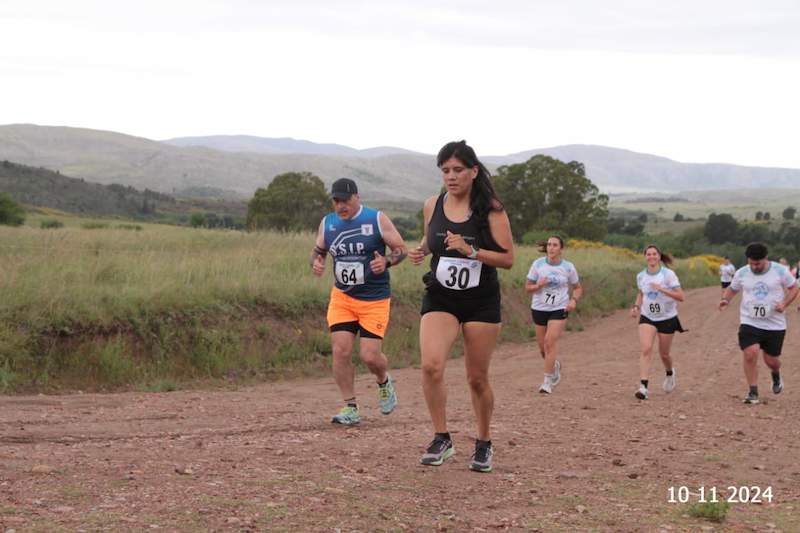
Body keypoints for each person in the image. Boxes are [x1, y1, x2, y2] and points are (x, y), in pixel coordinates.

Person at [408, 140, 514, 473]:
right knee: (431, 366)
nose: (451, 177)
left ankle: (483, 443)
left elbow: (508, 259)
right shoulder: (432, 204)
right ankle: (442, 437)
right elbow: (432, 239)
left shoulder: (491, 210)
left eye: (457, 170)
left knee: (477, 379)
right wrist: (420, 251)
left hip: (481, 301)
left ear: (473, 171)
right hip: (441, 296)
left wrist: (471, 251)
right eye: (445, 171)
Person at [310, 178, 407, 425]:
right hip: (342, 298)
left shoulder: (376, 219)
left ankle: (383, 380)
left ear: (357, 197)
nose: (341, 205)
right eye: (336, 200)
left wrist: (386, 262)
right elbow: (318, 249)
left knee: (370, 356)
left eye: (345, 200)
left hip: (374, 299)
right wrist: (317, 261)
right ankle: (350, 407)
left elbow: (401, 249)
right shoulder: (328, 223)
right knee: (340, 350)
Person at [719, 242, 799, 404]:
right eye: (751, 263)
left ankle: (775, 374)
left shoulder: (779, 271)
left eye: (758, 263)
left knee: (772, 361)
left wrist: (784, 304)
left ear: (766, 258)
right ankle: (753, 391)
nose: (754, 266)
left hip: (774, 324)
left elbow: (794, 288)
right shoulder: (742, 273)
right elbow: (733, 289)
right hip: (750, 321)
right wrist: (725, 300)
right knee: (750, 353)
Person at [525, 236, 583, 394]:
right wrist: (538, 284)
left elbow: (578, 288)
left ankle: (547, 382)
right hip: (539, 308)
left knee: (549, 342)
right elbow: (528, 287)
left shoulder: (568, 267)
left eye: (555, 245)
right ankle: (554, 366)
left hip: (559, 307)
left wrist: (573, 301)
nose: (551, 248)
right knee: (543, 349)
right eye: (549, 245)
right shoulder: (538, 264)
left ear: (561, 249)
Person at [630, 245, 685, 400]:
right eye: (648, 254)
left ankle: (670, 373)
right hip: (648, 316)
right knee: (646, 349)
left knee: (664, 354)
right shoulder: (641, 276)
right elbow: (641, 293)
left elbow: (681, 296)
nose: (651, 257)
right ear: (645, 257)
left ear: (659, 257)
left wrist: (662, 290)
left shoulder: (668, 275)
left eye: (654, 254)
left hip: (667, 317)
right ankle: (643, 387)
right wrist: (636, 306)